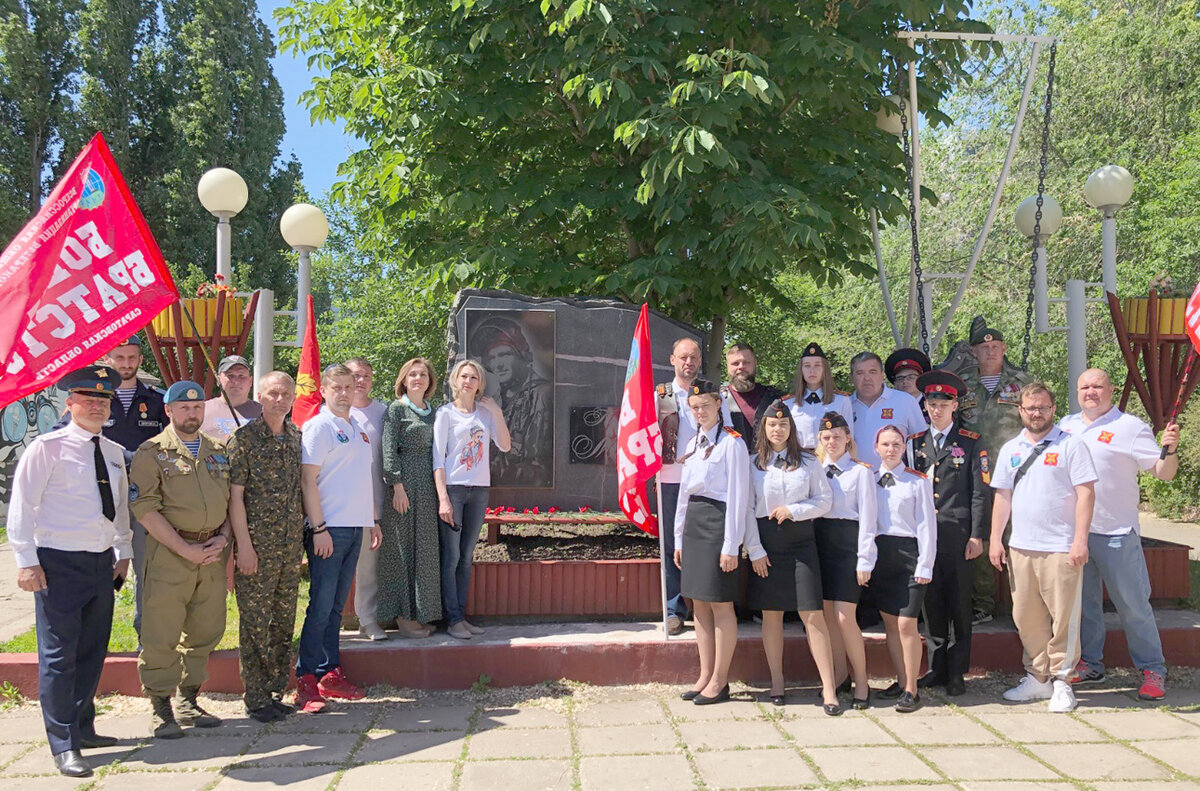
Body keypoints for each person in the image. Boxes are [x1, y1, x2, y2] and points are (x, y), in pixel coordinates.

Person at [8, 365, 131, 778]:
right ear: (70, 403)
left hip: (100, 562)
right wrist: (25, 560)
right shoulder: (47, 448)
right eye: (89, 399)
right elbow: (23, 506)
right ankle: (63, 743)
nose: (97, 406)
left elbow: (120, 510)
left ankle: (83, 726)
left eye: (104, 400)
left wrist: (123, 552)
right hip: (58, 562)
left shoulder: (112, 452)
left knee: (92, 651)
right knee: (60, 656)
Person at [1059, 368, 1179, 701]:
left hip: (1116, 532)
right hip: (1075, 535)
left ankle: (1153, 669)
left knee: (1133, 605)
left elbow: (1162, 474)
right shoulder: (1064, 427)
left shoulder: (1130, 428)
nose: (1091, 391)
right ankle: (1091, 664)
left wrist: (1168, 450)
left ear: (1110, 390)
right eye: (1084, 386)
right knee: (1083, 607)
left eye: (1097, 386)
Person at [130, 381, 232, 739]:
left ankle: (189, 699)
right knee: (161, 630)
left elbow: (231, 503)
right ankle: (161, 706)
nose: (192, 413)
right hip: (171, 554)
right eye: (184, 408)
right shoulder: (152, 452)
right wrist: (184, 548)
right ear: (169, 410)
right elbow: (144, 507)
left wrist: (223, 538)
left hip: (213, 553)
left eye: (198, 407)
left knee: (207, 628)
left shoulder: (219, 450)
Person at [989, 382, 1096, 714]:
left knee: (1064, 617)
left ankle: (1063, 680)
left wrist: (1080, 540)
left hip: (1061, 547)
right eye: (1030, 408)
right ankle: (1038, 678)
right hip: (1021, 546)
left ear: (1053, 409)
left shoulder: (1071, 446)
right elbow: (1002, 496)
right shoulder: (1011, 449)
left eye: (1043, 407)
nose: (1036, 413)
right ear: (1020, 410)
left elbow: (1086, 494)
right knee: (1025, 616)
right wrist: (996, 539)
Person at [296, 364, 383, 712]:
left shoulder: (357, 427)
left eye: (350, 385)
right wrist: (318, 528)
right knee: (320, 606)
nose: (345, 392)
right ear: (324, 390)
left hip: (356, 525)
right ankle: (305, 681)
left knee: (334, 608)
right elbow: (308, 481)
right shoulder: (320, 426)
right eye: (338, 387)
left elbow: (361, 478)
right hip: (329, 529)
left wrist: (372, 520)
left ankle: (328, 673)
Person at [743, 400, 839, 713]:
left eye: (783, 425)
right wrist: (754, 550)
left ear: (791, 429)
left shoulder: (809, 463)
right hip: (766, 545)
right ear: (764, 429)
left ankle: (828, 689)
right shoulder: (753, 463)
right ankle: (777, 682)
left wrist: (794, 510)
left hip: (800, 543)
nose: (778, 429)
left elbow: (824, 501)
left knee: (812, 614)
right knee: (771, 615)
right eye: (772, 424)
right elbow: (746, 509)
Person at [227, 371, 305, 722]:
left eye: (285, 394)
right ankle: (255, 696)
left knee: (283, 618)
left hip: (289, 546)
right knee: (255, 621)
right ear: (260, 396)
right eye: (273, 393)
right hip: (256, 545)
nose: (280, 399)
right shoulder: (243, 440)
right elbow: (235, 497)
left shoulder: (295, 437)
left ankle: (275, 689)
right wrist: (243, 545)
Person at [907, 371, 987, 697]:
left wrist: (977, 536)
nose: (937, 409)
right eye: (931, 403)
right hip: (926, 537)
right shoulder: (915, 444)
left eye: (943, 403)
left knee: (959, 604)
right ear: (925, 406)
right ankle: (936, 668)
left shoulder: (969, 441)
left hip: (958, 535)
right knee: (932, 603)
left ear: (955, 404)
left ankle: (957, 672)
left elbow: (980, 492)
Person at [673, 380, 749, 705]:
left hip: (719, 526)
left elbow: (738, 497)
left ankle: (721, 679)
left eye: (704, 405)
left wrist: (732, 544)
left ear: (718, 404)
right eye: (694, 408)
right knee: (698, 604)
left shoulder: (732, 444)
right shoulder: (693, 443)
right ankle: (704, 675)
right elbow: (683, 497)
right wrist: (678, 538)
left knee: (720, 604)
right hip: (694, 527)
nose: (699, 412)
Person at [956, 320, 1033, 625]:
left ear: (1003, 349)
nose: (990, 352)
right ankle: (983, 604)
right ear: (974, 352)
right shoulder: (961, 385)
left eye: (995, 347)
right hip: (976, 474)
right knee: (981, 538)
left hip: (1016, 474)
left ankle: (1024, 606)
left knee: (1018, 538)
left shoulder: (1023, 382)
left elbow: (1037, 421)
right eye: (983, 348)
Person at [433, 359, 512, 640]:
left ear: (480, 384)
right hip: (454, 489)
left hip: (479, 491)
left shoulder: (486, 413)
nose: (468, 381)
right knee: (452, 556)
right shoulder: (445, 414)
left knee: (467, 557)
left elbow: (505, 445)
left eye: (474, 378)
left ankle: (461, 617)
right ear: (456, 381)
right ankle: (452, 620)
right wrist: (443, 498)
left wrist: (496, 411)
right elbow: (437, 459)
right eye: (464, 376)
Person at [655, 336, 726, 635]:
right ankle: (674, 608)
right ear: (672, 359)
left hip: (705, 483)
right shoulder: (660, 395)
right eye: (683, 357)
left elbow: (726, 432)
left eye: (694, 357)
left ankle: (705, 605)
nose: (689, 363)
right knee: (673, 545)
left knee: (704, 544)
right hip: (670, 480)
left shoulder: (711, 393)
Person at [864, 425, 936, 713]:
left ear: (904, 448)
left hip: (910, 556)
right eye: (885, 444)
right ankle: (901, 679)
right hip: (882, 557)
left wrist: (925, 564)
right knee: (891, 625)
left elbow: (927, 526)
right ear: (876, 447)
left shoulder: (917, 481)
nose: (891, 449)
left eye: (896, 444)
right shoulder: (869, 479)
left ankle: (912, 689)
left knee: (907, 624)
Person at [101, 335, 167, 639]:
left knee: (146, 570)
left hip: (144, 500)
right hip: (101, 500)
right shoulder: (94, 396)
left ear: (140, 360)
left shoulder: (157, 400)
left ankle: (146, 638)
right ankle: (95, 636)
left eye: (131, 358)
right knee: (99, 567)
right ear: (108, 359)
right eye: (120, 358)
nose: (126, 364)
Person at [814, 412, 875, 710]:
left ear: (848, 438)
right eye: (826, 437)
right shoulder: (815, 469)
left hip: (849, 546)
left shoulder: (861, 472)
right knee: (827, 618)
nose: (832, 441)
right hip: (821, 544)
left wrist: (865, 559)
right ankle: (839, 678)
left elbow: (868, 519)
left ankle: (862, 680)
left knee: (844, 617)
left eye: (837, 436)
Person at [378, 358, 442, 637]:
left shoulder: (433, 412)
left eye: (423, 374)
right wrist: (397, 486)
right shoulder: (396, 410)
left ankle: (421, 612)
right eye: (412, 374)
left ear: (430, 381)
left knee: (424, 550)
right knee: (402, 550)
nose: (418, 378)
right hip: (403, 487)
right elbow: (388, 450)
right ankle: (403, 616)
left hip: (427, 486)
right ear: (403, 380)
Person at [471, 315, 552, 486]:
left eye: (504, 354)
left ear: (523, 356)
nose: (497, 364)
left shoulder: (542, 395)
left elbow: (539, 467)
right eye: (492, 358)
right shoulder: (499, 401)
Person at [344, 357, 389, 641]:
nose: (361, 381)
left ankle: (368, 619)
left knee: (369, 567)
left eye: (366, 376)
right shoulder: (332, 413)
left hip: (375, 502)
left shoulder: (382, 412)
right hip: (340, 505)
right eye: (355, 376)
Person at [849, 352, 926, 467]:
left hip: (897, 480)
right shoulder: (845, 405)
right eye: (860, 373)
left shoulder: (905, 401)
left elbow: (922, 443)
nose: (867, 378)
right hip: (857, 481)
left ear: (882, 374)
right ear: (852, 377)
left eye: (872, 372)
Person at [784, 343, 853, 449]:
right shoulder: (789, 403)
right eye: (807, 366)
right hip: (799, 461)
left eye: (817, 365)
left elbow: (849, 437)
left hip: (830, 460)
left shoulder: (841, 401)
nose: (812, 370)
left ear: (824, 369)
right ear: (801, 370)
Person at [720, 342, 782, 447]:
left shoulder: (774, 398)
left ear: (755, 364)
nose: (741, 367)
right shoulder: (718, 400)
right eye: (735, 363)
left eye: (746, 362)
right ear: (727, 366)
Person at [200, 355, 262, 441]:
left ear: (250, 381)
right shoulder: (201, 410)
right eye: (230, 375)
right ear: (219, 380)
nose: (236, 381)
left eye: (241, 375)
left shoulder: (264, 412)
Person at [885, 348, 931, 420]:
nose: (905, 381)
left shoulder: (932, 406)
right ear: (895, 383)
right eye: (900, 378)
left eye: (911, 377)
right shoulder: (887, 407)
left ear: (920, 380)